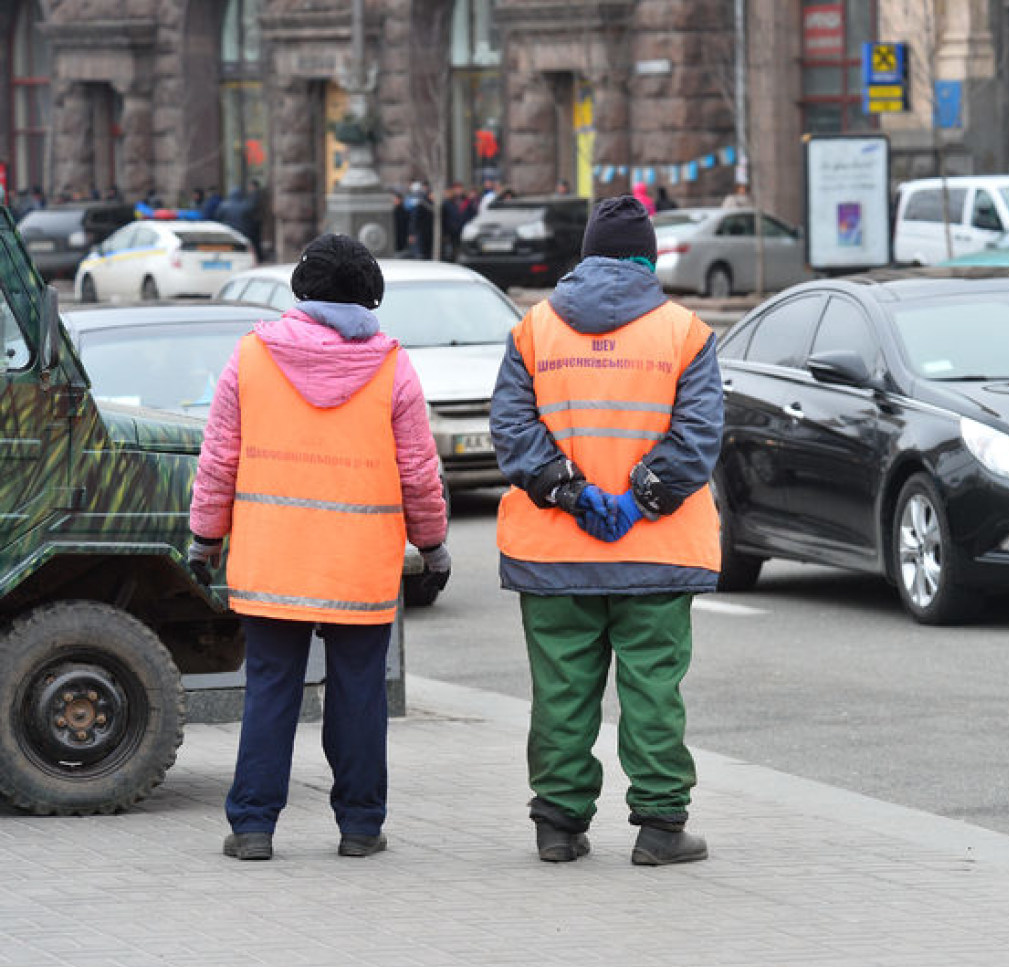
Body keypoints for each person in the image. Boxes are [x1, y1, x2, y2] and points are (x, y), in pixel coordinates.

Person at [187, 233, 449, 862]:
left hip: (273, 558)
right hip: (359, 564)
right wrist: (433, 544)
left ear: (300, 291)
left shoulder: (251, 356)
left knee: (271, 688)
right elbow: (417, 468)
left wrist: (204, 536)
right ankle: (360, 827)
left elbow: (219, 456)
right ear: (370, 296)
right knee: (359, 690)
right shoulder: (391, 365)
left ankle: (253, 826)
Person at [490, 195, 722, 867]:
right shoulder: (687, 332)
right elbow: (698, 435)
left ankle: (558, 825)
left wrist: (571, 491)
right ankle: (658, 827)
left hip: (554, 551)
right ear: (648, 256)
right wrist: (639, 497)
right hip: (655, 552)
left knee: (562, 687)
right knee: (651, 686)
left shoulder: (533, 329)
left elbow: (512, 427)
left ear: (585, 254)